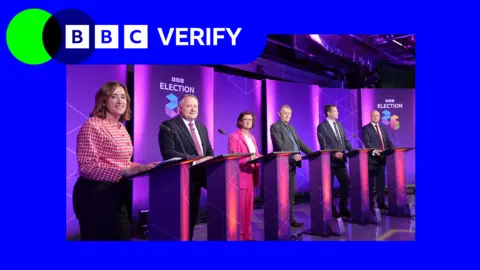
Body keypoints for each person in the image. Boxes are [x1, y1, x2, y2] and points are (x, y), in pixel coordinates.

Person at [72, 81, 157, 240]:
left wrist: (144, 167)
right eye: (114, 96)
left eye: (123, 97)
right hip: (95, 196)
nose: (120, 101)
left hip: (116, 194)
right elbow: (87, 167)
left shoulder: (120, 127)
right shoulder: (92, 125)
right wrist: (126, 170)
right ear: (104, 101)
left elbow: (122, 163)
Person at [158, 94, 214, 240]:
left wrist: (210, 159)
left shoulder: (202, 128)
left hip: (204, 174)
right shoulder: (169, 126)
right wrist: (194, 160)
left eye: (195, 106)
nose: (193, 109)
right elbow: (168, 152)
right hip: (184, 177)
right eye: (189, 106)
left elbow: (208, 149)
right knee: (185, 218)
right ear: (180, 108)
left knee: (194, 214)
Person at [270, 105, 313, 227]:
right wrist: (291, 156)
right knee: (282, 194)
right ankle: (280, 219)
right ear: (279, 114)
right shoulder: (275, 127)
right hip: (283, 164)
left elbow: (300, 143)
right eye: (285, 113)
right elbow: (279, 145)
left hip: (293, 164)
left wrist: (314, 154)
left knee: (291, 193)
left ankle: (290, 218)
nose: (287, 115)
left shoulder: (292, 128)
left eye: (289, 113)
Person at [228, 111, 262, 240]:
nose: (248, 121)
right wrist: (249, 159)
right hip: (241, 175)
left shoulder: (252, 137)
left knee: (249, 209)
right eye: (245, 119)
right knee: (241, 210)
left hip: (252, 175)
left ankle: (247, 235)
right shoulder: (234, 137)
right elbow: (234, 157)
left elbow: (256, 154)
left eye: (250, 119)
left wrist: (261, 158)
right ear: (240, 121)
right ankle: (240, 237)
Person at [317, 104, 353, 218]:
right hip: (329, 162)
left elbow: (345, 141)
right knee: (329, 187)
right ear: (328, 113)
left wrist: (353, 150)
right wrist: (333, 154)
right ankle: (331, 210)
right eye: (335, 111)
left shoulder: (339, 125)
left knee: (345, 184)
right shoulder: (322, 127)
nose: (338, 113)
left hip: (341, 161)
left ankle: (343, 207)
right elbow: (324, 145)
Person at [362, 110, 394, 210]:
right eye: (374, 115)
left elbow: (388, 142)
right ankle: (370, 204)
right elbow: (367, 143)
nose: (376, 117)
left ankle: (381, 203)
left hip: (382, 159)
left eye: (377, 115)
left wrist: (394, 149)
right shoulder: (366, 128)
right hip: (372, 159)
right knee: (371, 184)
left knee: (381, 183)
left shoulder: (383, 129)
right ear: (371, 116)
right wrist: (374, 150)